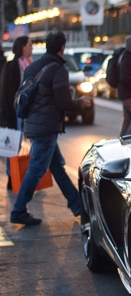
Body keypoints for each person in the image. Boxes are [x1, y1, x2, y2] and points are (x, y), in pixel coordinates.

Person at [10, 31, 92, 226]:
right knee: (36, 170)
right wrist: (81, 103)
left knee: (57, 167)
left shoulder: (33, 67)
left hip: (33, 124)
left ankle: (77, 205)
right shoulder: (59, 71)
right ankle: (18, 210)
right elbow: (63, 102)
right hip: (46, 128)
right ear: (62, 48)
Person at [0, 36, 33, 190]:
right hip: (15, 114)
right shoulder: (11, 66)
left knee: (35, 145)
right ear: (22, 47)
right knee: (13, 145)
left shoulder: (31, 65)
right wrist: (6, 116)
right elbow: (5, 93)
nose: (32, 47)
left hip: (29, 113)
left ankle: (31, 176)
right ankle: (12, 177)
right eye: (30, 45)